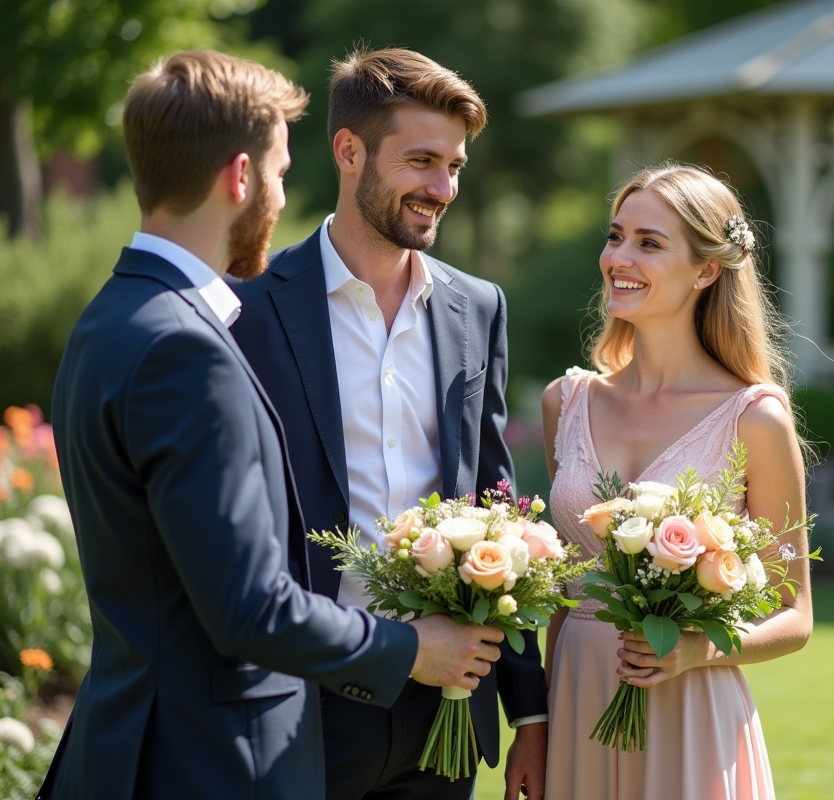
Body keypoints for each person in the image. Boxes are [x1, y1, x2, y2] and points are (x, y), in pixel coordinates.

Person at [39, 50, 504, 800]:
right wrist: (409, 648)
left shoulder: (113, 316)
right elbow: (250, 605)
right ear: (240, 177)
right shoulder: (187, 347)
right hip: (204, 760)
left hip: (139, 742)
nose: (283, 196)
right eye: (281, 172)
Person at [231, 47, 548, 800]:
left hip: (447, 709)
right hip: (301, 703)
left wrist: (529, 712)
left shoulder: (478, 308)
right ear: (349, 152)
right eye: (422, 161)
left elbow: (496, 503)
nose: (443, 188)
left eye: (455, 166)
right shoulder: (248, 307)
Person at [540, 163, 814, 799]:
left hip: (690, 712)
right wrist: (538, 725)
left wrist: (697, 650)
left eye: (649, 242)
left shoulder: (754, 419)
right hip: (577, 700)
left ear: (706, 270)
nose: (619, 257)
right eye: (616, 236)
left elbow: (794, 614)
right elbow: (562, 596)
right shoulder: (566, 402)